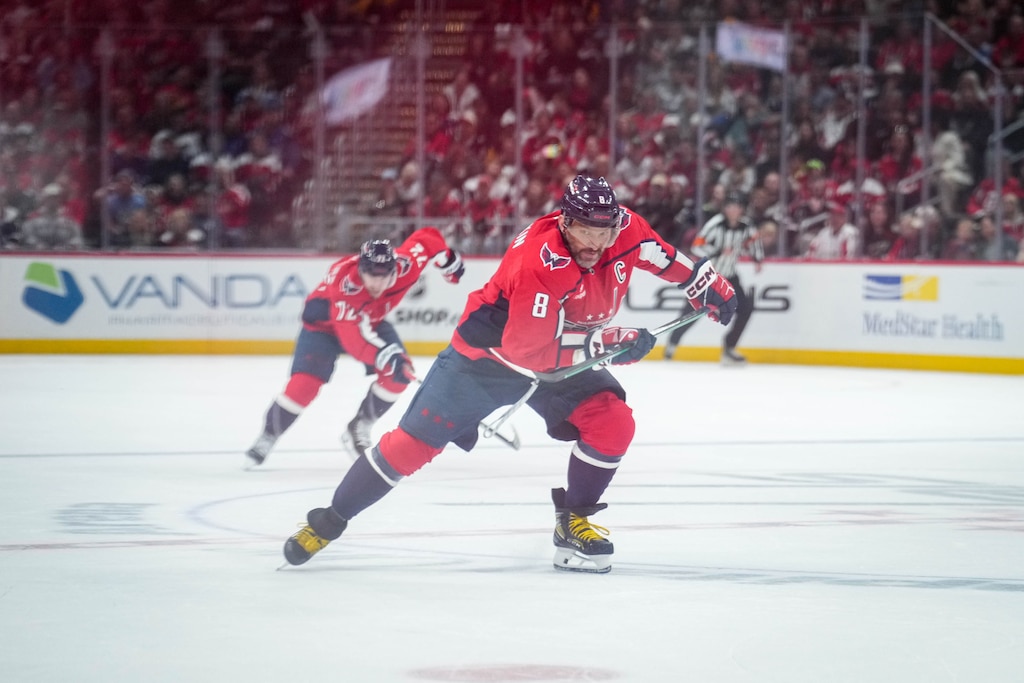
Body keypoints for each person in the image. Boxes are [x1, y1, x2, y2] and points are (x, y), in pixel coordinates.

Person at [279, 175, 737, 573]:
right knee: (410, 446)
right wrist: (605, 342)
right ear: (564, 222)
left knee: (613, 422)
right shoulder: (542, 260)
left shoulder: (625, 230)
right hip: (489, 357)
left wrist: (706, 284)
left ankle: (572, 521)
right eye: (584, 230)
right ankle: (330, 519)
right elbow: (530, 351)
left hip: (563, 345)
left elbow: (664, 258)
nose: (596, 243)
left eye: (605, 230)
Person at [244, 229, 465, 467]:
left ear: (394, 269)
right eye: (371, 275)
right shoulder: (344, 284)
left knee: (398, 376)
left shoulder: (406, 265)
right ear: (361, 269)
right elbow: (355, 340)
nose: (377, 283)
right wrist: (386, 356)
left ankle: (360, 425)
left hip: (370, 321)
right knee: (303, 386)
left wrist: (448, 260)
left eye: (384, 276)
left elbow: (426, 238)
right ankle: (268, 435)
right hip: (324, 328)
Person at [664, 192, 762, 364]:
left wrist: (757, 258)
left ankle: (729, 348)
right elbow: (697, 246)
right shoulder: (715, 224)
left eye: (736, 207)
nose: (732, 210)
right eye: (729, 206)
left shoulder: (746, 226)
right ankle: (672, 343)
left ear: (741, 210)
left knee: (745, 309)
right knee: (692, 311)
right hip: (710, 277)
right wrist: (716, 251)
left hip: (730, 276)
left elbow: (754, 240)